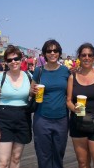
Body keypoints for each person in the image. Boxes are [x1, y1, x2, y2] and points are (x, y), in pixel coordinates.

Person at [66, 43, 94, 168]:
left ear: (93, 57)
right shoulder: (72, 77)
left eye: (89, 55)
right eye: (83, 55)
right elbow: (68, 100)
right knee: (83, 164)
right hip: (78, 122)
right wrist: (74, 109)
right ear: (79, 57)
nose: (86, 57)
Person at [30, 39, 70, 168]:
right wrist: (33, 91)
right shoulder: (38, 71)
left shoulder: (65, 71)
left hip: (61, 118)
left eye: (55, 51)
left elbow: (70, 93)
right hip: (42, 118)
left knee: (58, 153)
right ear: (44, 53)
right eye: (49, 51)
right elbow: (31, 92)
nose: (52, 53)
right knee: (43, 154)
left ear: (59, 53)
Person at [0, 45, 32, 168]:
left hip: (23, 119)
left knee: (16, 159)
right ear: (6, 62)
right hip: (4, 120)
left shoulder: (29, 76)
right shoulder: (1, 78)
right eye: (9, 60)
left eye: (16, 58)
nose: (13, 62)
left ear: (21, 58)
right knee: (3, 162)